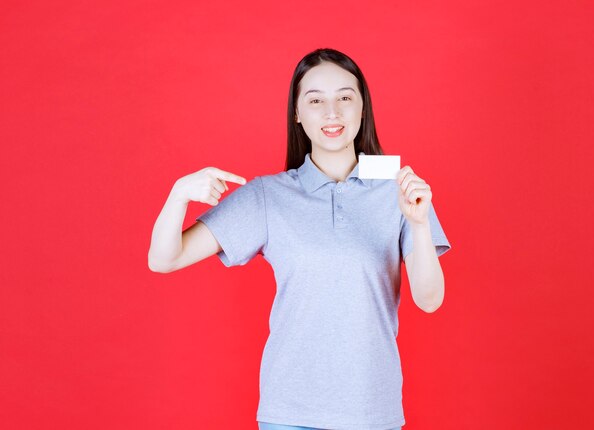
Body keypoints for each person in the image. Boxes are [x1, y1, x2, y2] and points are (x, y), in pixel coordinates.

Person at [148, 48, 451, 430]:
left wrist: (419, 223)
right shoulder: (269, 195)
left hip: (372, 412)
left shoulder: (400, 190)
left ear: (363, 108)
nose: (332, 113)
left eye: (345, 97)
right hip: (289, 413)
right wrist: (178, 194)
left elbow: (429, 300)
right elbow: (164, 259)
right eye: (315, 100)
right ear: (297, 113)